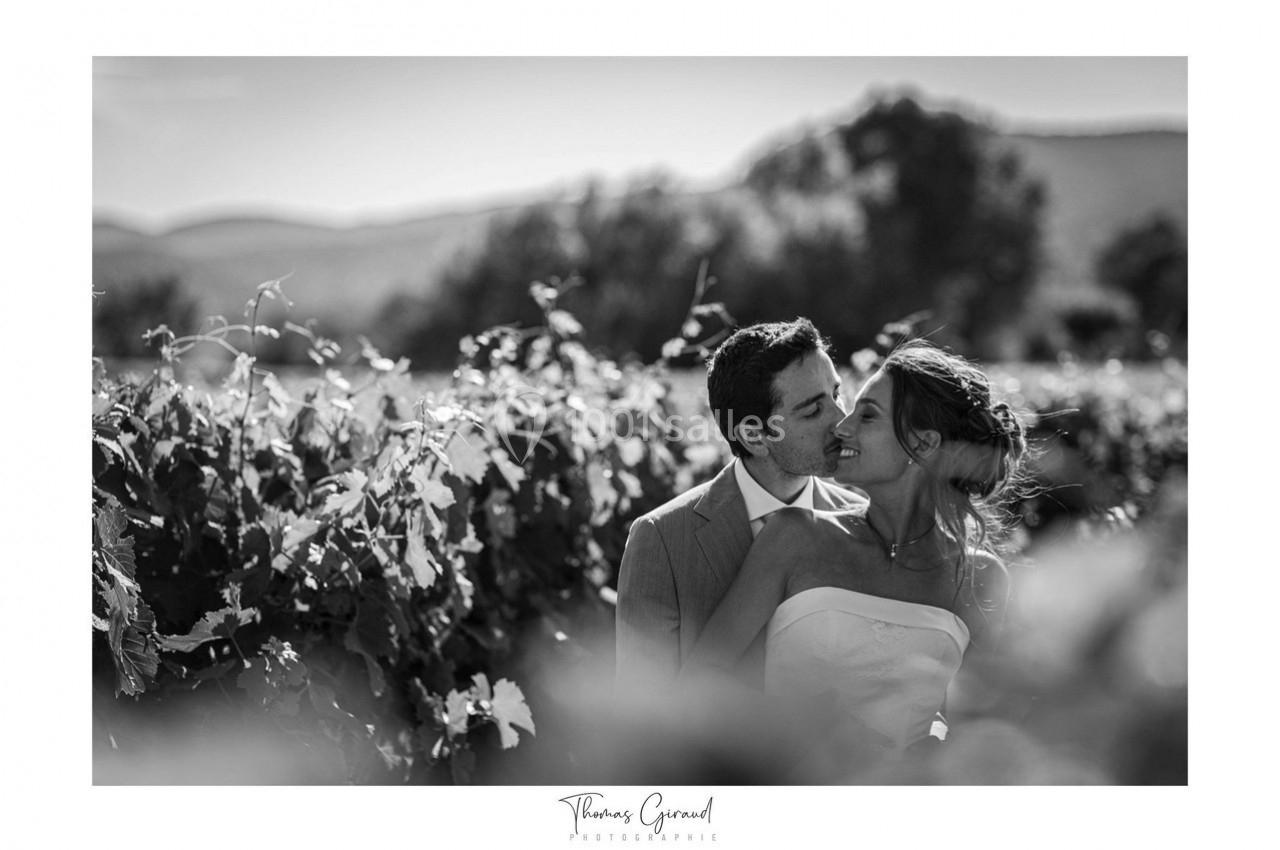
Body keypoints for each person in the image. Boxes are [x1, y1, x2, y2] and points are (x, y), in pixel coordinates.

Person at [681, 339, 1027, 779]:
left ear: (922, 445)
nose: (841, 428)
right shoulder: (794, 535)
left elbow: (982, 738)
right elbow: (702, 677)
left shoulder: (979, 577)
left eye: (868, 416)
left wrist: (931, 747)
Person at [614, 318, 868, 692]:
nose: (841, 420)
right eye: (813, 411)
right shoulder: (662, 540)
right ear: (754, 435)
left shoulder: (862, 521)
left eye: (836, 394)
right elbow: (642, 711)